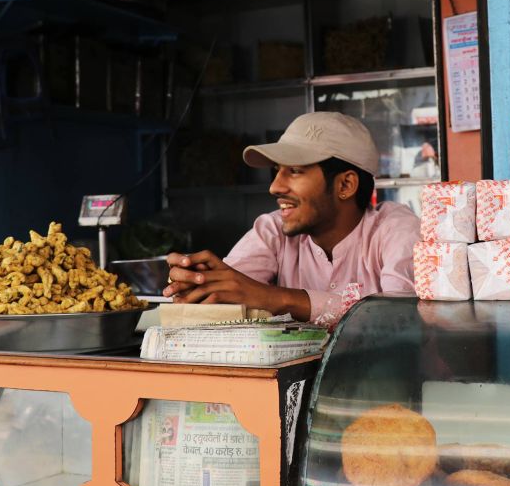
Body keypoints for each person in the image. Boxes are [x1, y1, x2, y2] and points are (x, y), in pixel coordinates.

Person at [163, 112, 421, 326]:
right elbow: (232, 289)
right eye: (276, 172)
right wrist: (200, 283)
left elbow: (399, 318)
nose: (275, 187)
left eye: (295, 171)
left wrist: (281, 299)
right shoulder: (273, 230)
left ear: (346, 184)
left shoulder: (396, 228)